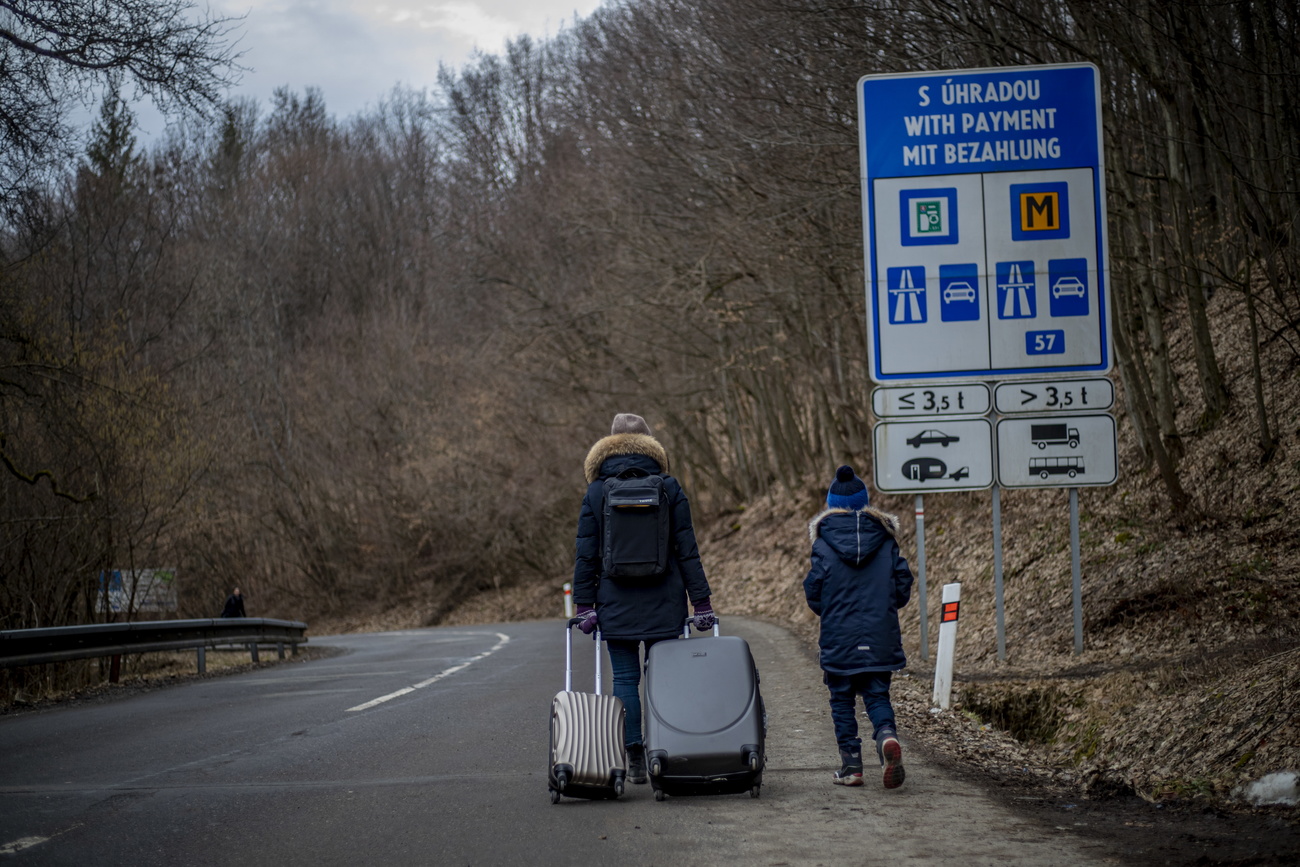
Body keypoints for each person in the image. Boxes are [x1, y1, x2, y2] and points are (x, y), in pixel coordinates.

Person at [571, 412, 715, 785]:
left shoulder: (596, 492)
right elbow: (687, 550)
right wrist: (701, 603)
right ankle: (662, 752)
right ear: (651, 447)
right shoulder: (669, 487)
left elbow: (586, 554)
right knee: (662, 677)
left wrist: (585, 606)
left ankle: (633, 753)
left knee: (624, 679)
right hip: (664, 599)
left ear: (607, 448)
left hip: (614, 600)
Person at [804, 465, 913, 789]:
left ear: (831, 505)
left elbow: (814, 589)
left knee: (841, 700)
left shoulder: (823, 544)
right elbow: (903, 583)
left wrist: (830, 611)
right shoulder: (886, 540)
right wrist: (885, 606)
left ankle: (852, 766)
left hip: (839, 636)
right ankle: (886, 737)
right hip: (880, 635)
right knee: (877, 696)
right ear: (865, 503)